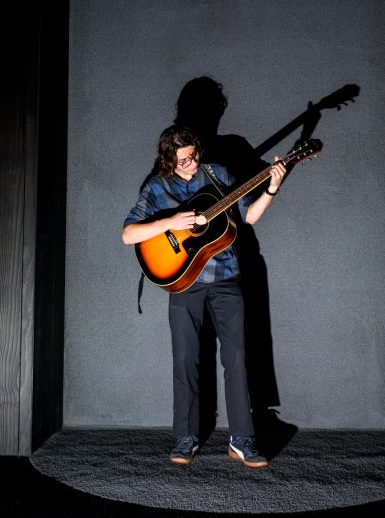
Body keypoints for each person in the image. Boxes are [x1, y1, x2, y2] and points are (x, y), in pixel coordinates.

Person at [122, 124, 285, 468]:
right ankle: (186, 436)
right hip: (183, 281)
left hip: (226, 277)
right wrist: (170, 223)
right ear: (168, 160)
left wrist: (271, 187)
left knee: (238, 359)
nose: (192, 164)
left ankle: (242, 439)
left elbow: (249, 216)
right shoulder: (157, 185)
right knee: (185, 360)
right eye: (183, 161)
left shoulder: (218, 174)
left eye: (194, 156)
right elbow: (128, 234)